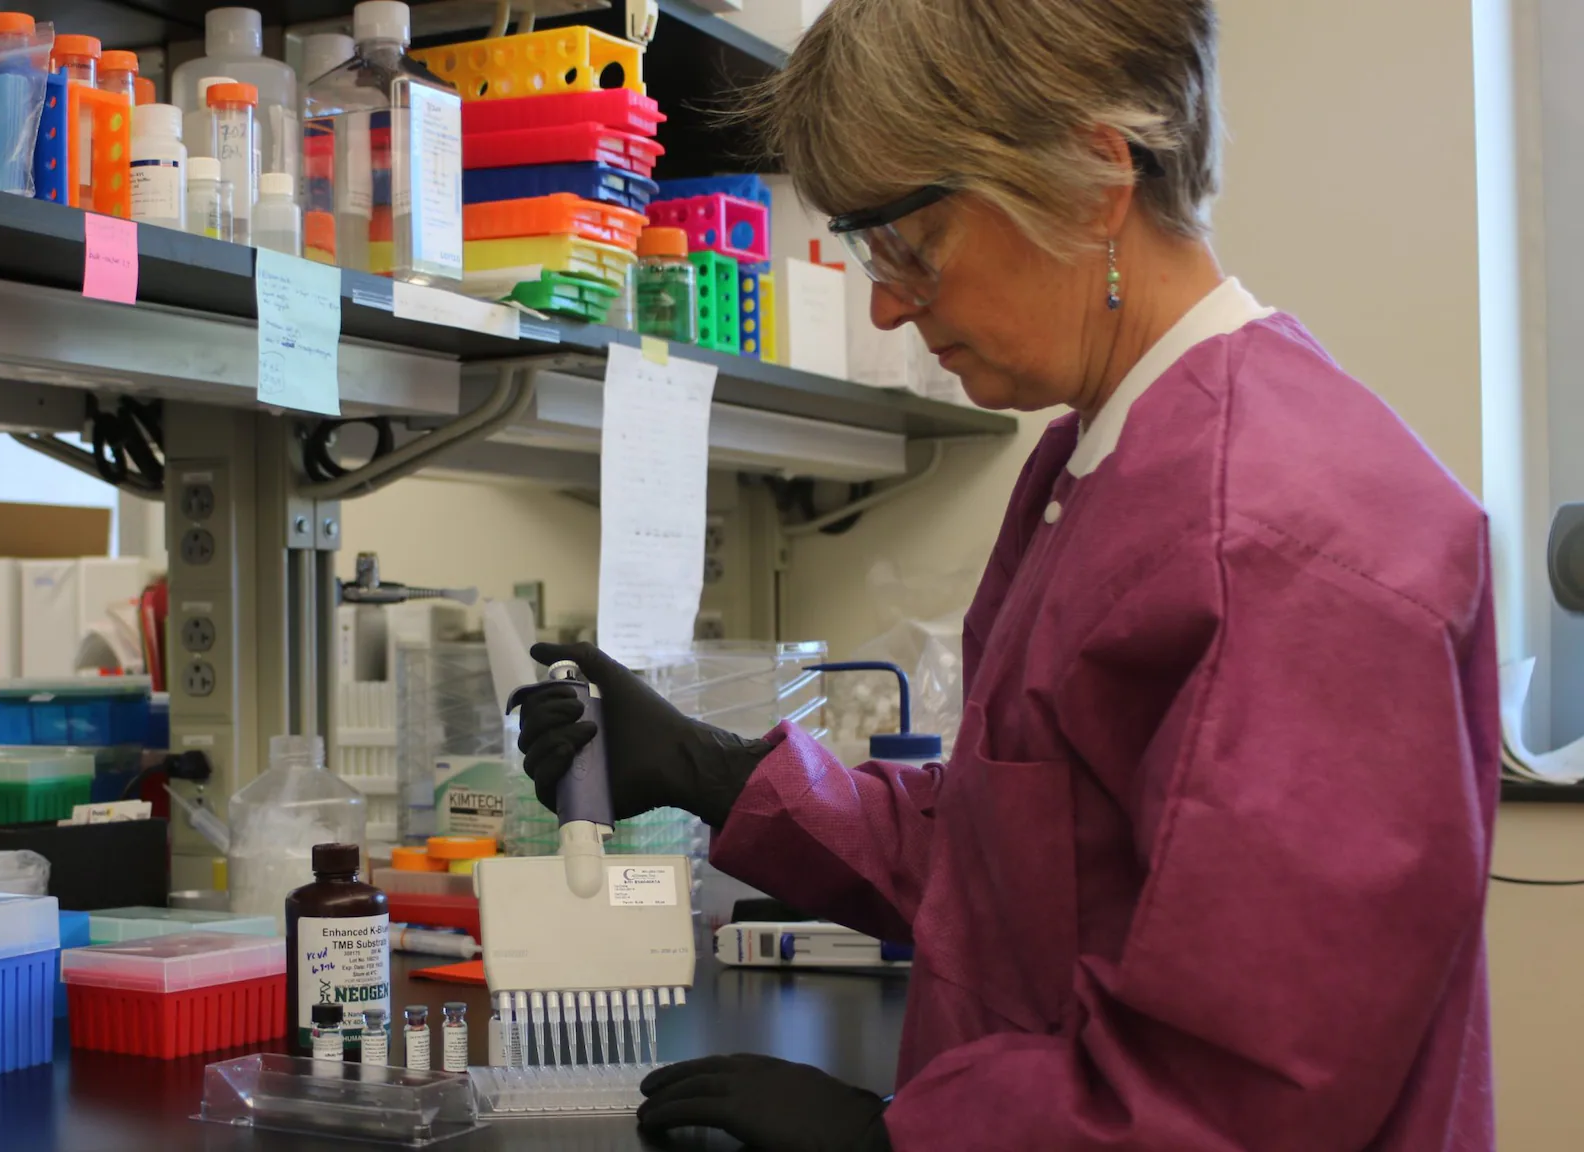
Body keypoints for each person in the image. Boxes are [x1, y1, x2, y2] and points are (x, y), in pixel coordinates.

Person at [513, 0, 1499, 1148]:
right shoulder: (1100, 454)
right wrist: (718, 773)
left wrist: (899, 1142)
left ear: (1091, 174)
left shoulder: (1275, 540)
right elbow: (1024, 871)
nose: (884, 301)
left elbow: (1246, 1095)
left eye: (906, 245)